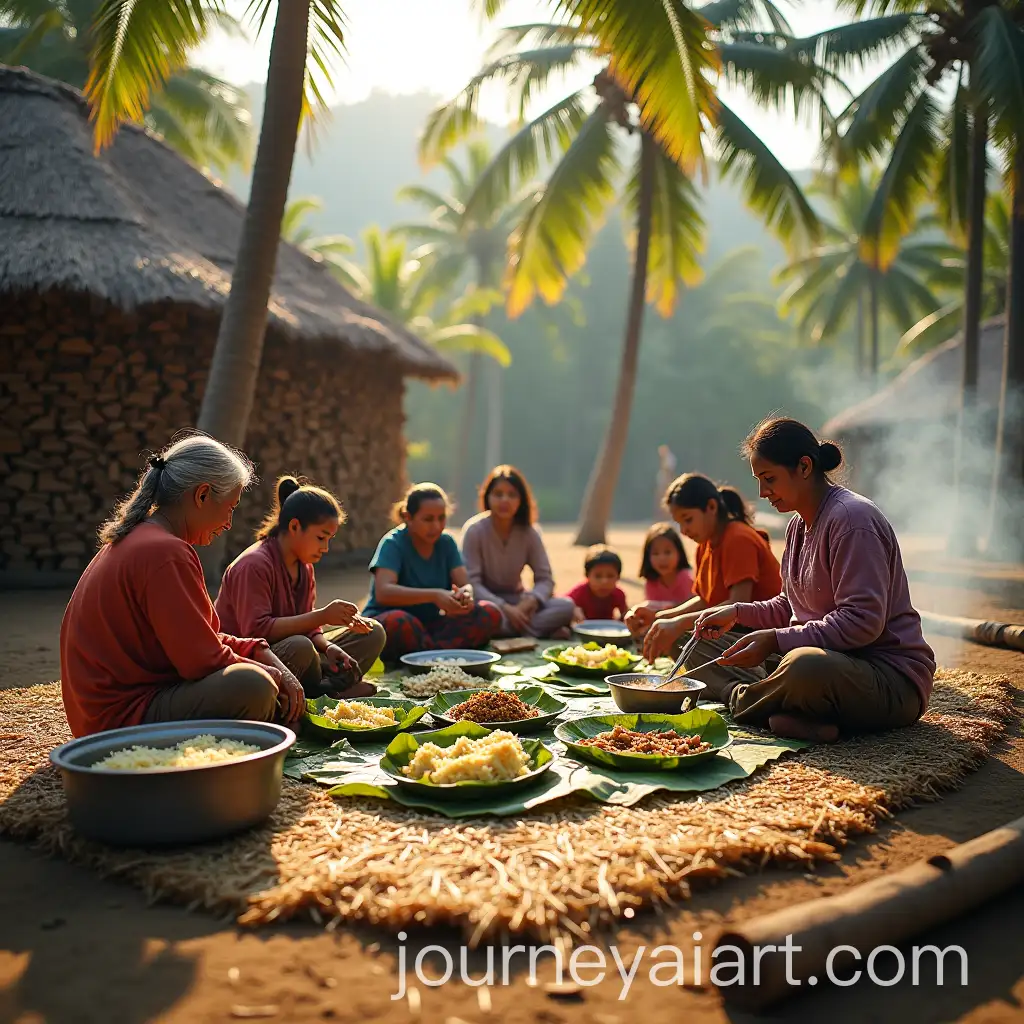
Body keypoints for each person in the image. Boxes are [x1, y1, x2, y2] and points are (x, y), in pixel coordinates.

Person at [692, 418, 935, 742]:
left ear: (804, 467)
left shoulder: (853, 519)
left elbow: (862, 622)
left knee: (803, 666)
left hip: (885, 679)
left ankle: (740, 696)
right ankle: (794, 711)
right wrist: (737, 613)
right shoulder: (797, 526)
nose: (763, 493)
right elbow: (789, 604)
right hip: (830, 662)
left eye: (769, 479)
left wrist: (775, 640)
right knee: (695, 643)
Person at [59, 435, 304, 739]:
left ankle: (283, 713)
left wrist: (260, 650)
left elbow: (202, 638)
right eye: (230, 508)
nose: (229, 523)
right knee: (253, 685)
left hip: (138, 700)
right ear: (202, 495)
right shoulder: (165, 552)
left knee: (293, 652)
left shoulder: (148, 540)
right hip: (120, 721)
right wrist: (269, 674)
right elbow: (201, 661)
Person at [215, 476, 386, 700]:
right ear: (295, 526)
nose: (325, 548)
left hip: (300, 654)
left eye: (329, 539)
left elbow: (308, 627)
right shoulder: (253, 565)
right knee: (301, 647)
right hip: (250, 662)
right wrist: (322, 616)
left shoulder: (304, 566)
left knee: (372, 632)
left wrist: (327, 647)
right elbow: (257, 632)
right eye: (321, 538)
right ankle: (325, 691)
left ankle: (323, 688)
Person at [632, 473, 783, 699]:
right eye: (679, 522)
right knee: (674, 635)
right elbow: (704, 600)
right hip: (730, 634)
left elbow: (737, 604)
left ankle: (744, 688)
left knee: (683, 636)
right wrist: (659, 617)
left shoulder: (738, 538)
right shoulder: (706, 544)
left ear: (711, 507)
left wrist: (678, 624)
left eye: (688, 519)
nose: (683, 530)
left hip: (765, 641)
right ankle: (726, 685)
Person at [362, 483, 502, 661]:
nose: (436, 526)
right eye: (428, 519)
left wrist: (465, 596)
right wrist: (434, 596)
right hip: (390, 622)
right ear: (408, 517)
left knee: (489, 612)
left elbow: (464, 584)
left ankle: (428, 652)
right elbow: (384, 592)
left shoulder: (446, 543)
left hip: (429, 626)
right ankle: (441, 653)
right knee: (400, 622)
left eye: (441, 518)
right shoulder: (393, 544)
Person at [462, 465, 575, 638]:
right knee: (481, 616)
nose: (504, 500)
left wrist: (531, 600)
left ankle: (510, 631)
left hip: (518, 601)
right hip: (487, 604)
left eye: (512, 494)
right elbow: (472, 584)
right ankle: (535, 631)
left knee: (566, 606)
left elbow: (545, 579)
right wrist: (505, 609)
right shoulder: (474, 531)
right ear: (487, 497)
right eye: (498, 494)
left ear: (521, 500)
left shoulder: (530, 532)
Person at [637, 522, 694, 612]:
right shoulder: (651, 582)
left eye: (667, 552)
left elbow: (691, 609)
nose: (662, 558)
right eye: (655, 553)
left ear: (679, 553)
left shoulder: (687, 579)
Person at [565, 546, 628, 623]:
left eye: (610, 576)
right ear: (587, 576)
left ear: (618, 577)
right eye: (598, 576)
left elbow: (625, 615)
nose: (604, 581)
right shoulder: (580, 592)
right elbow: (563, 604)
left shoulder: (618, 594)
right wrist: (573, 609)